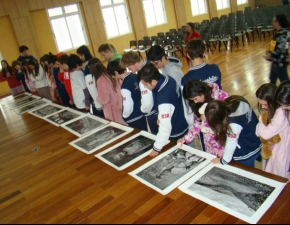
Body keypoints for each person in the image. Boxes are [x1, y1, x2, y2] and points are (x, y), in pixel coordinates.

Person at [137, 64, 188, 157]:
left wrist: (156, 148)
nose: (145, 87)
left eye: (145, 84)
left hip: (175, 132)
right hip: (182, 122)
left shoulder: (164, 97)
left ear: (153, 81)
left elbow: (165, 127)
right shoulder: (168, 79)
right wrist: (161, 116)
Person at [205, 96, 261, 167]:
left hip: (246, 152)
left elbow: (231, 143)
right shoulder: (236, 101)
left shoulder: (233, 125)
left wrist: (223, 160)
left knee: (247, 173)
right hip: (254, 140)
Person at [178, 80, 229, 156]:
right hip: (210, 147)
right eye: (192, 100)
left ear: (201, 93)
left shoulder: (222, 97)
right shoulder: (199, 104)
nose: (195, 102)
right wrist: (185, 139)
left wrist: (207, 118)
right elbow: (197, 125)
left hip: (224, 145)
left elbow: (231, 121)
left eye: (195, 99)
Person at [255, 83, 290, 178]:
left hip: (281, 151)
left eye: (265, 104)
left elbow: (264, 134)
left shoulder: (281, 114)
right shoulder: (278, 110)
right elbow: (259, 132)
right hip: (275, 149)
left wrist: (261, 120)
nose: (262, 108)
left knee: (279, 176)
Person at [121, 51, 159, 135]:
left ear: (134, 63)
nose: (128, 70)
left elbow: (148, 102)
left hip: (153, 113)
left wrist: (142, 110)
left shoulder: (143, 76)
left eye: (129, 67)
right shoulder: (149, 65)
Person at [107, 61, 147, 131]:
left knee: (139, 139)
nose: (113, 77)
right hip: (141, 113)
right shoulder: (135, 76)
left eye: (112, 75)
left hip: (133, 118)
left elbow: (128, 105)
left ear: (116, 72)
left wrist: (124, 116)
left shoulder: (125, 86)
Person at [88, 58, 125, 125]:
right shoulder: (109, 73)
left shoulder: (101, 80)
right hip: (121, 104)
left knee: (118, 129)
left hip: (112, 110)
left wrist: (97, 98)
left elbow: (104, 99)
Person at [76, 45, 103, 117]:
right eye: (79, 56)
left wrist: (97, 102)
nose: (80, 58)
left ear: (86, 53)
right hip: (97, 96)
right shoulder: (87, 64)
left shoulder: (90, 65)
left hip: (97, 97)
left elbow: (92, 87)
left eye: (81, 55)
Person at [265, 14, 289, 84]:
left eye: (275, 21)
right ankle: (270, 93)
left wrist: (270, 54)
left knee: (285, 82)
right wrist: (269, 52)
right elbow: (273, 45)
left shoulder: (284, 34)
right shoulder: (278, 32)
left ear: (280, 22)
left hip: (280, 61)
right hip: (275, 60)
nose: (273, 23)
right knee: (272, 79)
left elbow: (281, 49)